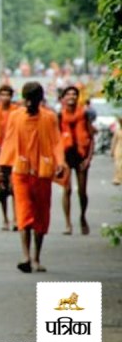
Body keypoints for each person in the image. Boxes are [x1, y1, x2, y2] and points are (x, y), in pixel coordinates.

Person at [0, 82, 65, 273]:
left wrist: (60, 163)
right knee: (24, 212)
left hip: (43, 172)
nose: (28, 104)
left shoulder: (49, 117)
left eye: (32, 101)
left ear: (39, 101)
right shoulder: (15, 117)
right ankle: (26, 255)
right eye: (26, 100)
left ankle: (37, 257)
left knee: (41, 215)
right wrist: (2, 169)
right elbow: (9, 141)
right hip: (21, 171)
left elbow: (56, 142)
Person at [58, 86, 95, 235]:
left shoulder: (84, 114)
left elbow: (91, 138)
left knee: (82, 192)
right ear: (64, 98)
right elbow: (55, 139)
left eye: (74, 94)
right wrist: (59, 161)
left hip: (81, 155)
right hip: (66, 156)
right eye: (69, 94)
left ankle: (82, 217)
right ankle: (68, 224)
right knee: (66, 190)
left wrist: (88, 158)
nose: (72, 96)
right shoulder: (59, 116)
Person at [0, 85, 18, 231]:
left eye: (8, 95)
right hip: (1, 154)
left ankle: (16, 218)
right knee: (2, 188)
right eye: (2, 95)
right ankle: (5, 218)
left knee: (14, 187)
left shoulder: (17, 111)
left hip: (14, 153)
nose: (5, 98)